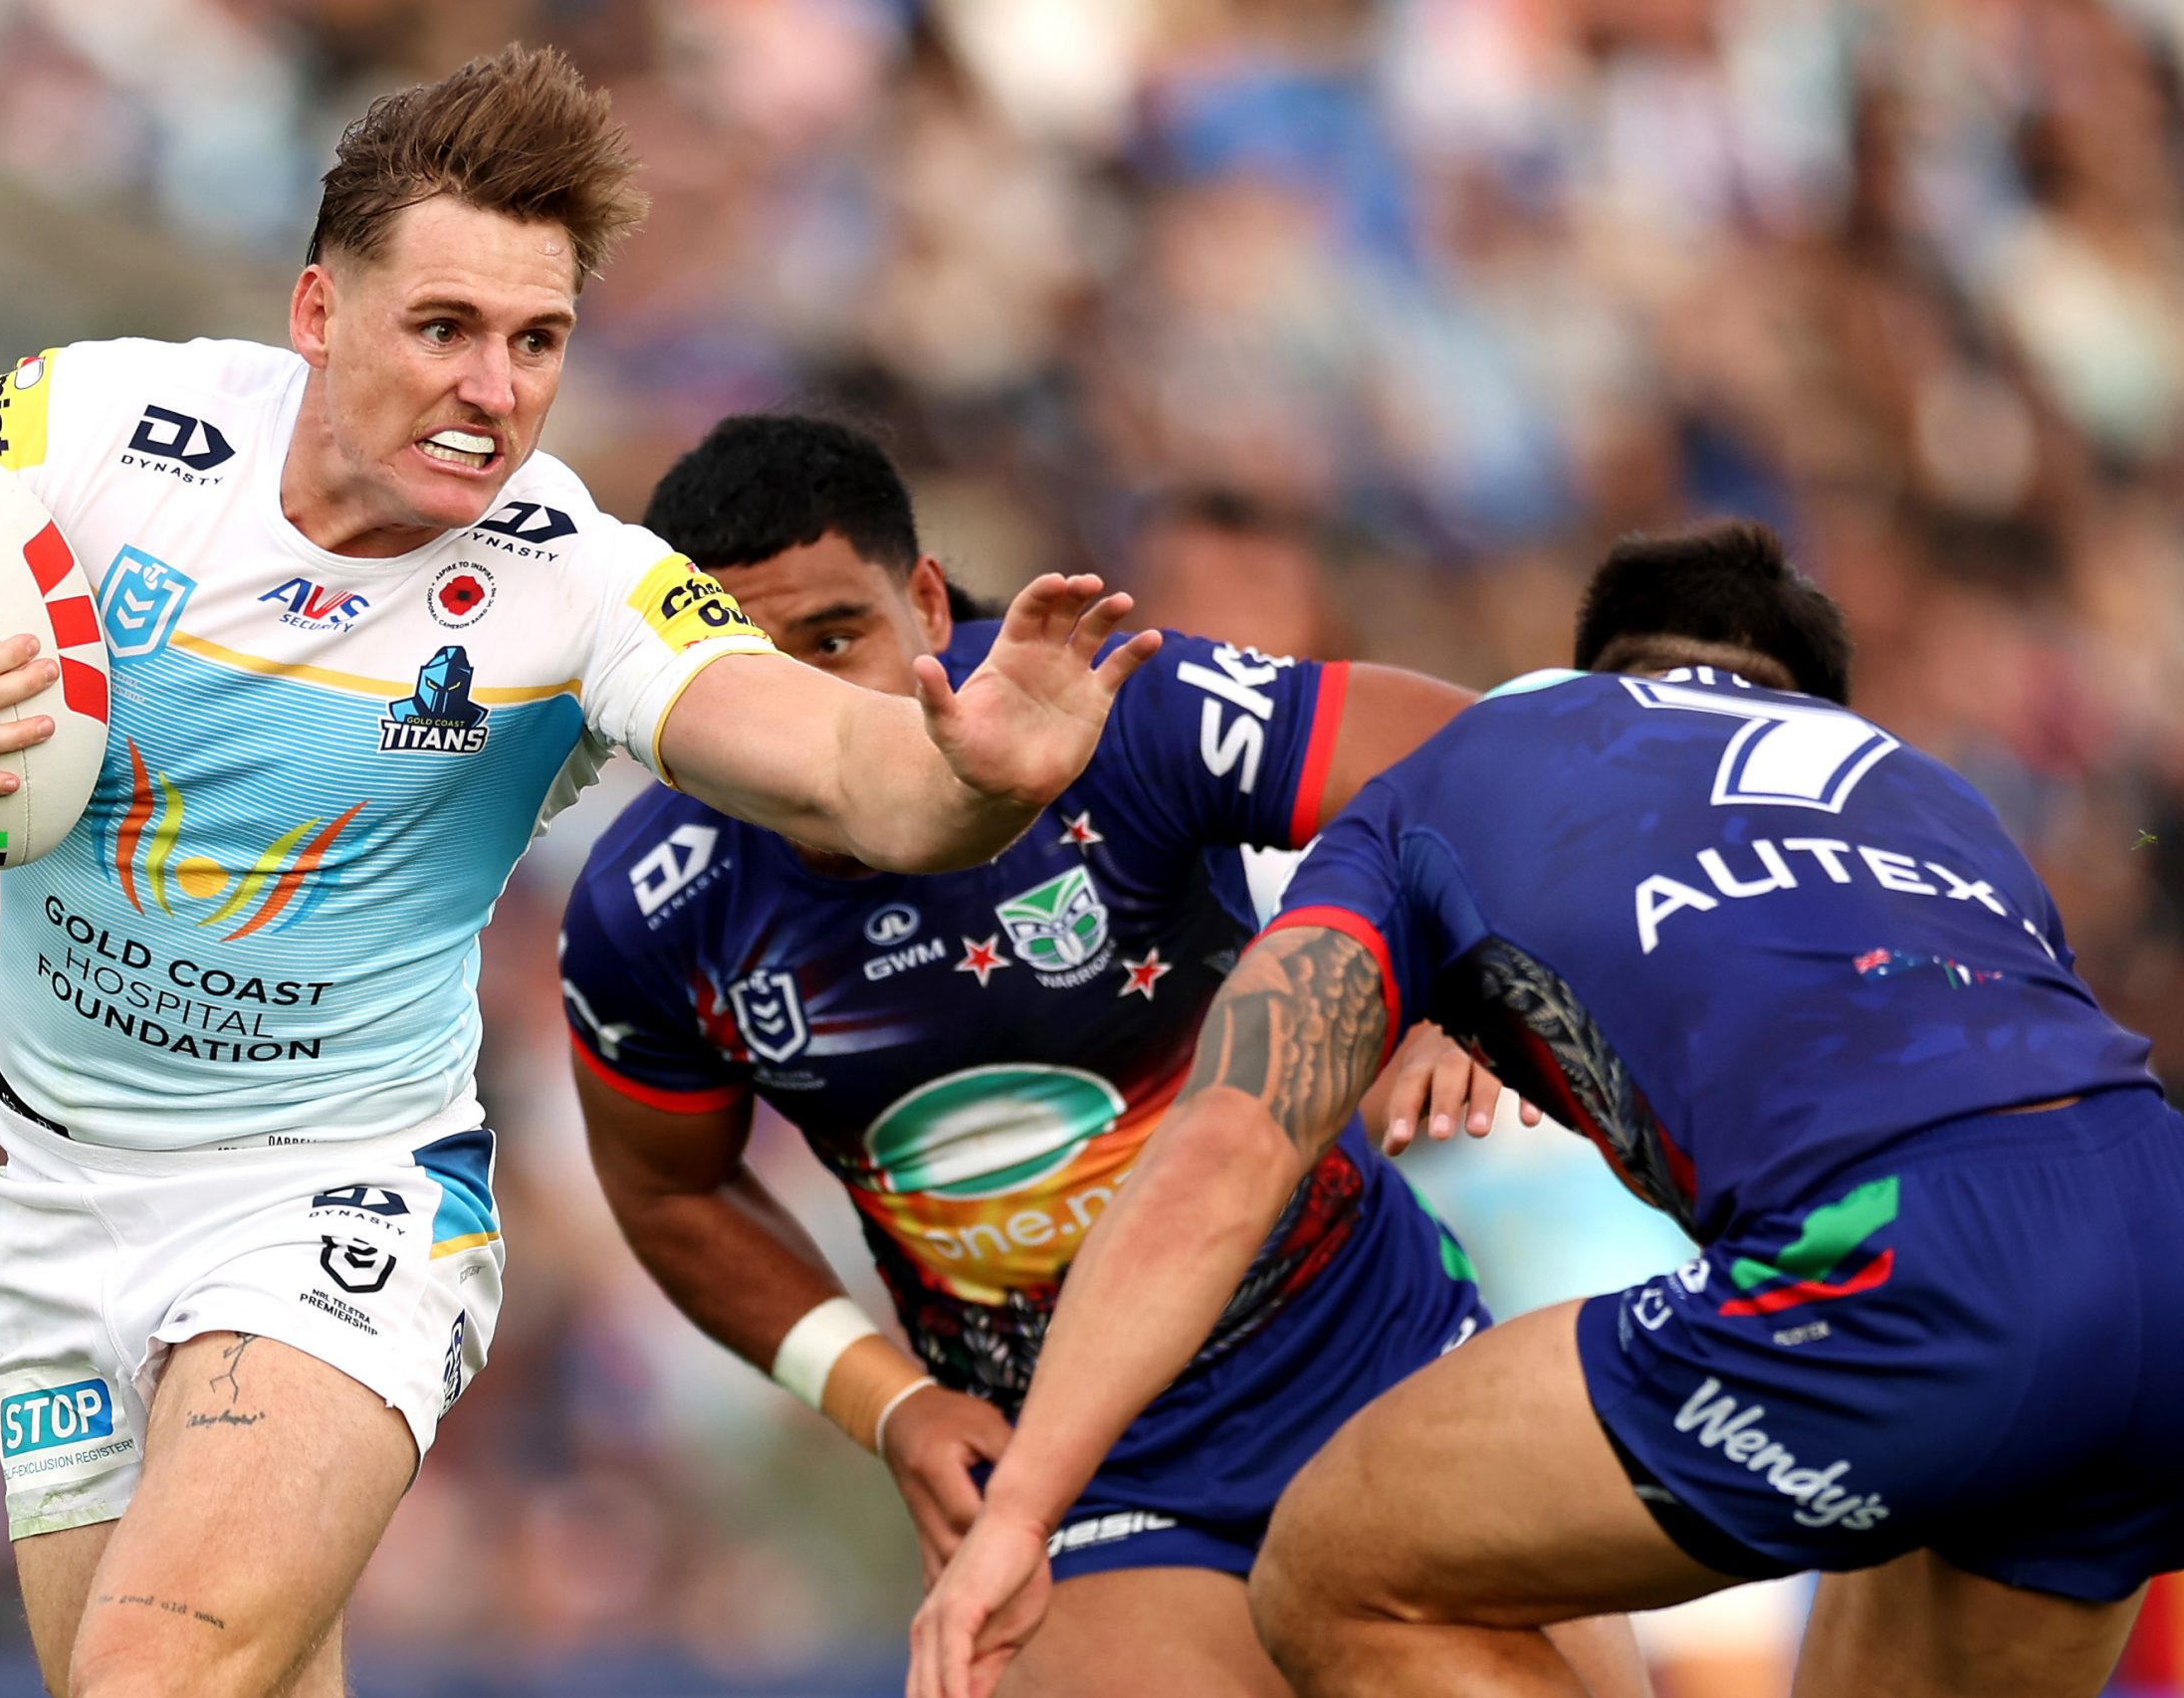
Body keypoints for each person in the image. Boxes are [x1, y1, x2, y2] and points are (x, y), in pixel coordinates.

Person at [0, 49, 1159, 1698]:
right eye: (445, 328)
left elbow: (846, 769)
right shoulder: (97, 423)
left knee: (148, 1681)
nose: (494, 388)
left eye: (537, 341)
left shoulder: (584, 588)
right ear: (320, 311)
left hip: (337, 1201)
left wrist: (974, 775)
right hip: (56, 1201)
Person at [911, 521, 2184, 1698]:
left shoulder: (1464, 772)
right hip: (2155, 1242)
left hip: (1902, 1265)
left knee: (1337, 1568)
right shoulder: (1937, 795)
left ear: (1581, 683)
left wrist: (1020, 1511)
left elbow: (1231, 1139)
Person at [558, 415, 1644, 1697]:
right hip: (1076, 1472)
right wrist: (883, 1401)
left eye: (835, 639)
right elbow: (670, 1192)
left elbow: (1486, 765)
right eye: (747, 660)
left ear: (922, 601)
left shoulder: (1108, 708)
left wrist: (1450, 989)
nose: (804, 700)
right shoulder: (652, 912)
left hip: (1379, 1355)